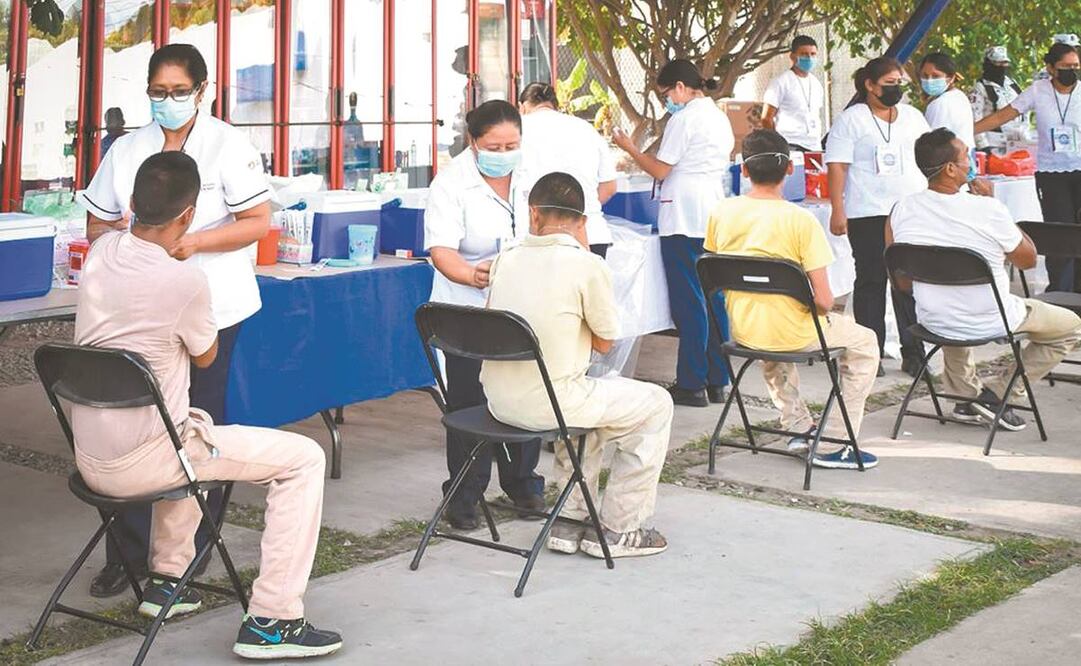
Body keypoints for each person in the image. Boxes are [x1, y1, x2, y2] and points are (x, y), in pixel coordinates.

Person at [73, 152, 342, 659]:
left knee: (188, 429)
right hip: (150, 463)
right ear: (189, 216)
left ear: (131, 205)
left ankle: (168, 584)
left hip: (91, 458)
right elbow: (206, 355)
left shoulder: (100, 253)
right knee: (304, 459)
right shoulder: (185, 281)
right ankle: (274, 618)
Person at [77, 43, 273, 598]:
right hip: (136, 310)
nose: (167, 101)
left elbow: (256, 221)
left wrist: (193, 243)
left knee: (198, 429)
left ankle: (186, 555)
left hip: (212, 306)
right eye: (157, 92)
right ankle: (128, 553)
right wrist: (137, 252)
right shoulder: (125, 148)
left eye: (178, 92)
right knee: (131, 426)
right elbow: (98, 225)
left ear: (202, 90)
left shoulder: (228, 144)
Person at [481, 172, 672, 557]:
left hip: (498, 402)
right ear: (582, 222)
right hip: (553, 403)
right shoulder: (586, 265)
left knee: (588, 407)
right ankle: (621, 527)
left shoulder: (507, 259)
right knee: (655, 404)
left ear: (532, 215)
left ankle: (570, 518)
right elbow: (604, 343)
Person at [705, 129, 880, 470]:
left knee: (774, 328)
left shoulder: (721, 212)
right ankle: (836, 441)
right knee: (866, 343)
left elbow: (714, 272)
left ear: (743, 170)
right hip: (794, 333)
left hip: (744, 330)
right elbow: (825, 301)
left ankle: (797, 425)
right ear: (789, 170)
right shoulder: (800, 220)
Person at [887, 128, 1081, 429]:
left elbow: (901, 282)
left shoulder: (900, 210)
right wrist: (997, 204)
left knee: (949, 301)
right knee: (1071, 327)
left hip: (932, 320)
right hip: (991, 318)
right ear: (951, 169)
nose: (972, 160)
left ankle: (965, 399)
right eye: (966, 155)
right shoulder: (986, 208)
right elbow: (1028, 260)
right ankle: (997, 395)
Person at [423, 99, 545, 530]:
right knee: (470, 402)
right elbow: (442, 251)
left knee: (524, 393)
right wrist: (473, 276)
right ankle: (463, 495)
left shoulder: (533, 173)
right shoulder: (451, 181)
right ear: (473, 143)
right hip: (467, 309)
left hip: (524, 305)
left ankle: (524, 485)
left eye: (513, 143)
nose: (505, 151)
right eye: (494, 145)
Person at [612, 59, 734, 407]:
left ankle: (691, 382)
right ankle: (716, 378)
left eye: (666, 94)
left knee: (689, 301)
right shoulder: (717, 116)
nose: (667, 101)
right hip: (709, 211)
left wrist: (630, 148)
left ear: (681, 87)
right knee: (713, 297)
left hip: (683, 216)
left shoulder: (686, 118)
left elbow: (661, 170)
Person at [825, 56, 930, 377]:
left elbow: (930, 154)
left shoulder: (912, 117)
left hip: (908, 211)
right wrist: (837, 209)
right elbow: (837, 166)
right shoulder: (851, 120)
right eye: (889, 84)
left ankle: (914, 352)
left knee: (908, 283)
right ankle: (870, 351)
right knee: (871, 280)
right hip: (867, 212)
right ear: (870, 85)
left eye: (899, 84)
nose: (896, 89)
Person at [975, 43, 1081, 293]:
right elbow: (1004, 115)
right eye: (1065, 67)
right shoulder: (1038, 90)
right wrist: (967, 130)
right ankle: (1061, 292)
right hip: (1051, 173)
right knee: (1060, 233)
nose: (1072, 71)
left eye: (1075, 67)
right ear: (1051, 68)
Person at [518, 81, 618, 257]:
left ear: (521, 107)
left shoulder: (517, 131)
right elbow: (609, 188)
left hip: (537, 236)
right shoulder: (587, 129)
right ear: (555, 105)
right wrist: (573, 209)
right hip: (591, 232)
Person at [761, 35, 826, 152]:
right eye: (804, 54)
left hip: (814, 146)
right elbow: (766, 118)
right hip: (790, 144)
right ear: (792, 56)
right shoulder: (781, 82)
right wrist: (778, 145)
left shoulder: (816, 84)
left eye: (813, 54)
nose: (809, 58)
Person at [970, 46, 1027, 154]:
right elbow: (975, 119)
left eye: (1004, 63)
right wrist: (983, 147)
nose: (1002, 67)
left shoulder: (1012, 84)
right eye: (998, 63)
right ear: (989, 64)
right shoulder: (980, 88)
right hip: (993, 144)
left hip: (1018, 141)